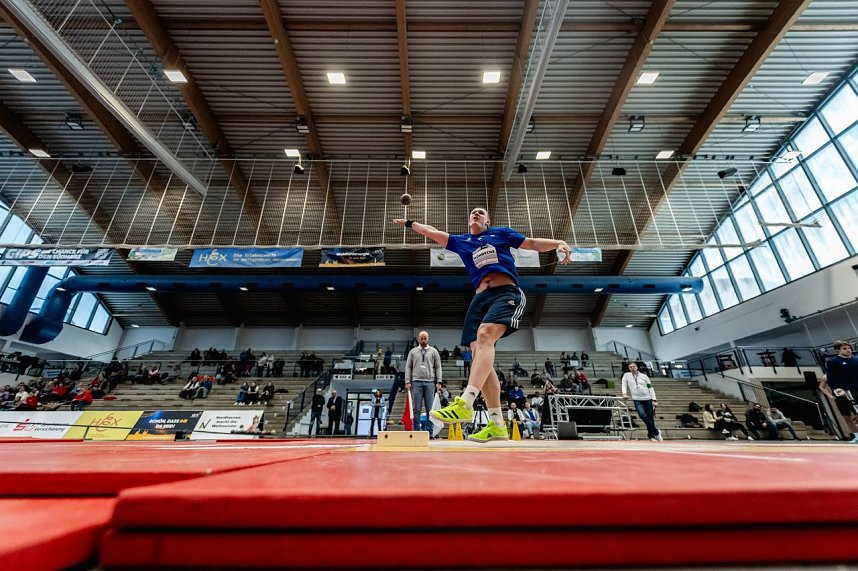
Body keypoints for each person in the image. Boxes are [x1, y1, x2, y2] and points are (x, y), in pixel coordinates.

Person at [396, 207, 571, 442]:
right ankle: (497, 424)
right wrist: (410, 224)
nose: (476, 214)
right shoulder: (462, 241)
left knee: (485, 334)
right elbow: (432, 232)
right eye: (473, 212)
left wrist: (559, 242)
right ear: (469, 220)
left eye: (481, 212)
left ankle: (466, 402)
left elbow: (532, 243)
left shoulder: (501, 234)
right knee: (480, 355)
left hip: (506, 292)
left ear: (488, 221)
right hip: (480, 300)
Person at [820, 340, 858, 443]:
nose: (848, 350)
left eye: (849, 348)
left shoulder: (856, 360)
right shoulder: (833, 362)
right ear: (838, 350)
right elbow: (830, 377)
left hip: (856, 390)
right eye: (844, 348)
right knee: (846, 415)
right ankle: (856, 436)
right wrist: (836, 388)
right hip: (842, 392)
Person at [404, 330, 443, 433]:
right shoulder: (412, 352)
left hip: (430, 383)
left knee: (430, 409)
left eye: (425, 338)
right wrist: (407, 381)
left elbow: (438, 367)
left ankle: (430, 432)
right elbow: (408, 367)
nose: (423, 340)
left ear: (428, 339)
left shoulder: (434, 351)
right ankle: (416, 430)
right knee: (416, 408)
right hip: (416, 382)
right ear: (418, 339)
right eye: (421, 339)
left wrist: (439, 381)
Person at [621, 362, 662, 442]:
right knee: (642, 415)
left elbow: (650, 388)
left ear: (637, 367)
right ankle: (656, 432)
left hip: (647, 398)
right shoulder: (626, 375)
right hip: (637, 399)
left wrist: (654, 399)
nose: (632, 368)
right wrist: (624, 393)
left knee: (650, 418)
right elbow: (624, 384)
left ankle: (651, 436)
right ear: (629, 368)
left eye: (634, 366)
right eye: (630, 367)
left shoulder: (644, 376)